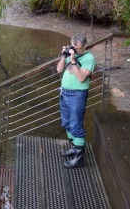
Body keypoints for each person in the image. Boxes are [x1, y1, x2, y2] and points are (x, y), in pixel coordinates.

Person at [55, 34, 96, 169]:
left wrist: (73, 60)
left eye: (77, 48)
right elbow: (59, 70)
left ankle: (79, 158)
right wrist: (64, 56)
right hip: (64, 93)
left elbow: (81, 78)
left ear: (84, 46)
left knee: (76, 124)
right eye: (73, 46)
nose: (75, 49)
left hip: (77, 95)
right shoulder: (69, 53)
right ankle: (74, 147)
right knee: (66, 122)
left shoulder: (89, 58)